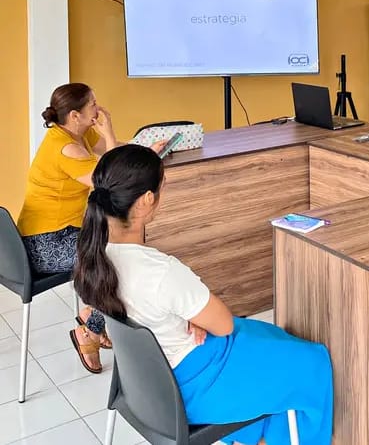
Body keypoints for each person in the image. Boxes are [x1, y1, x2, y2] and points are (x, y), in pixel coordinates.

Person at [73, 144, 333, 445]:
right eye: (162, 188)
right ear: (146, 201)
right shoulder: (160, 271)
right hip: (192, 386)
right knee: (314, 362)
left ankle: (263, 435)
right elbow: (223, 325)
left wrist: (188, 319)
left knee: (271, 337)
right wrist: (194, 319)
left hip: (147, 384)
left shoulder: (93, 257)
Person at [16, 83, 165, 374]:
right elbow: (111, 180)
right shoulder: (66, 149)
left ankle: (91, 315)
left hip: (64, 231)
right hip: (44, 244)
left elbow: (114, 151)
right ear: (75, 115)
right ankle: (90, 331)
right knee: (115, 263)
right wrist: (108, 132)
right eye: (93, 104)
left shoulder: (76, 135)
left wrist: (144, 151)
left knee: (115, 251)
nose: (99, 108)